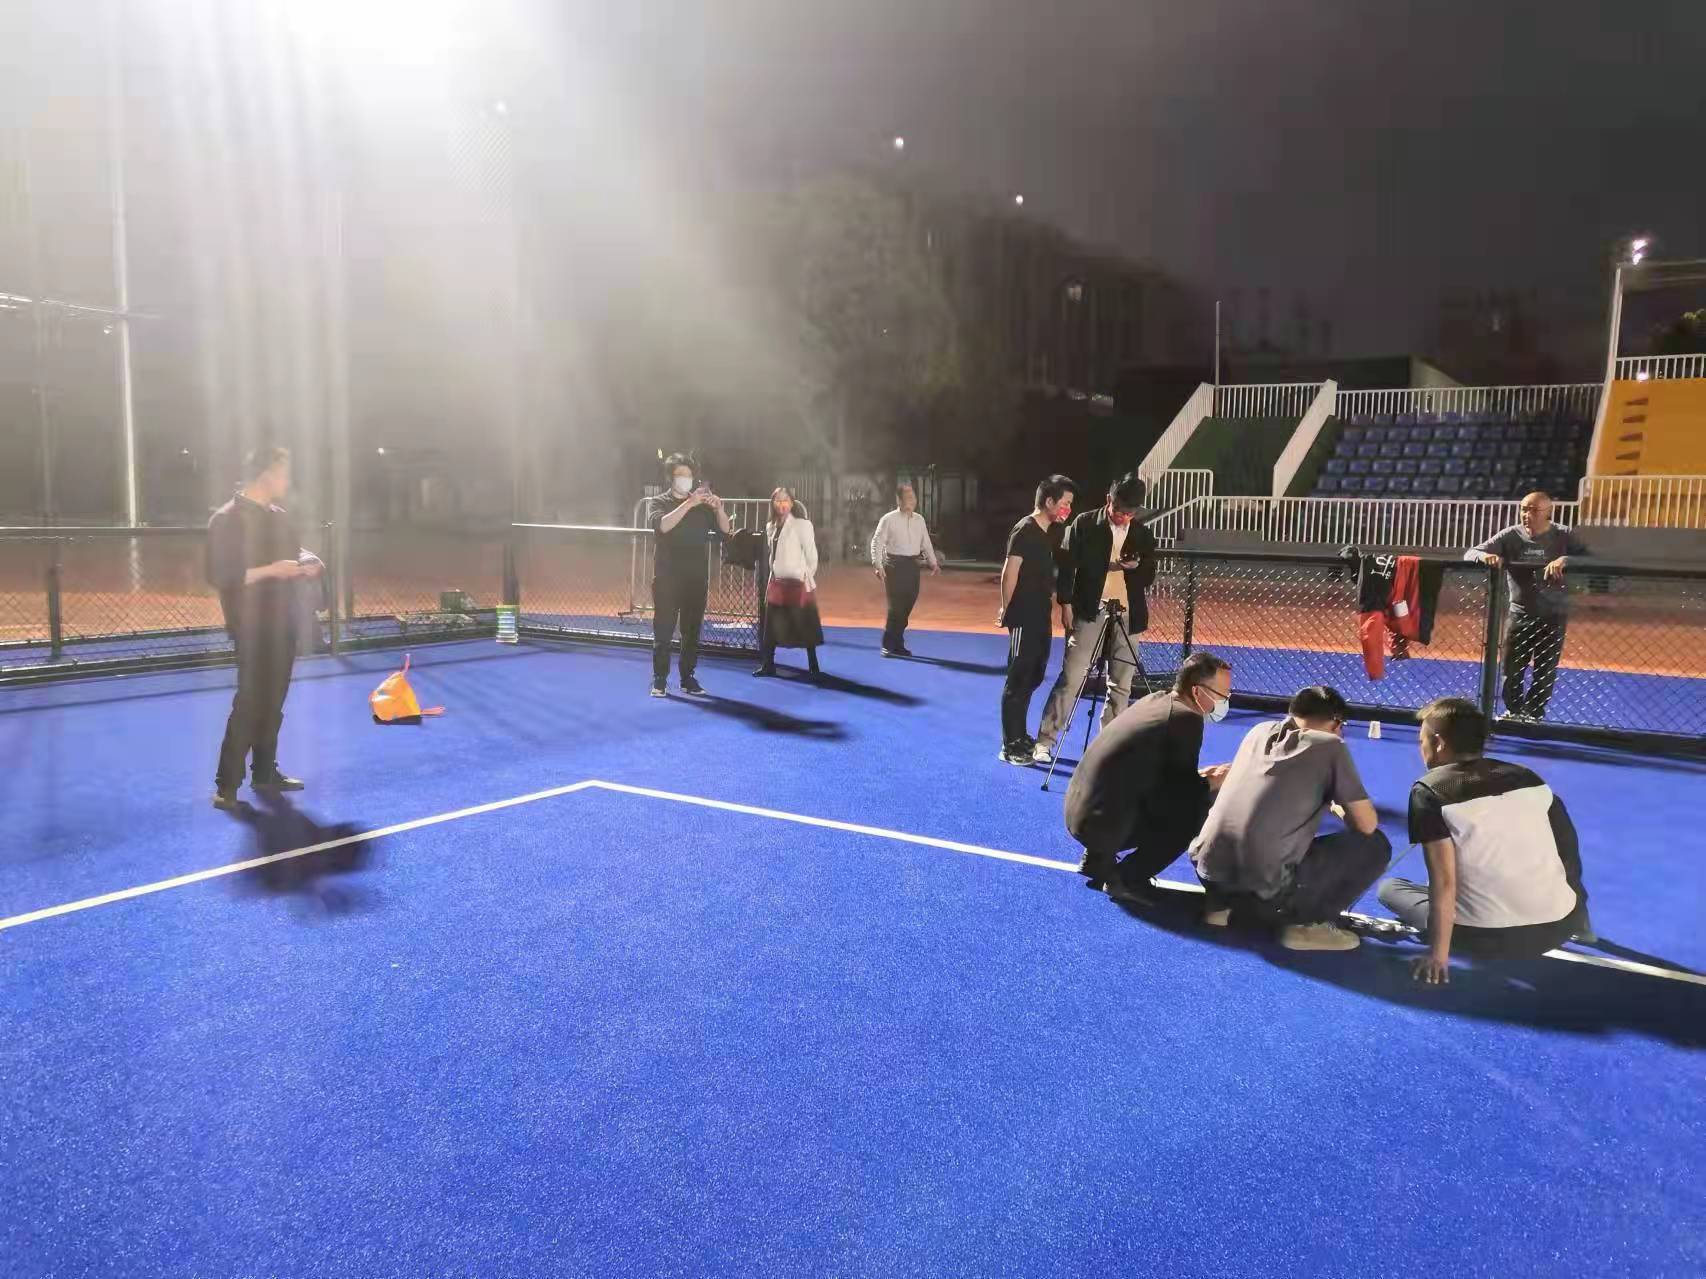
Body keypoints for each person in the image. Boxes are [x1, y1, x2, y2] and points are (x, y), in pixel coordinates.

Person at [1379, 697, 1591, 984]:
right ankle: (1583, 925)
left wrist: (1438, 956)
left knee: (1391, 888)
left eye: (1422, 741)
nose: (1421, 748)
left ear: (1438, 743)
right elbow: (1568, 854)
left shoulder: (1430, 791)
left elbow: (1444, 882)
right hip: (1559, 927)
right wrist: (1578, 918)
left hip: (1481, 938)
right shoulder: (1529, 778)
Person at [1190, 685, 1392, 952]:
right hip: (1262, 889)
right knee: (1375, 845)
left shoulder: (1259, 731)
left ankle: (1219, 908)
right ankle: (1307, 926)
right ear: (1336, 723)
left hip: (1208, 873)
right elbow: (1366, 824)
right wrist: (1336, 807)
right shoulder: (1330, 746)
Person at [206, 446, 323, 810]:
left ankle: (264, 772)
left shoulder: (279, 517)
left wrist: (308, 560)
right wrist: (273, 570)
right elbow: (222, 575)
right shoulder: (226, 519)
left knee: (274, 701)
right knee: (250, 702)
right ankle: (226, 787)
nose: (288, 480)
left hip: (284, 622)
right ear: (267, 474)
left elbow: (293, 552)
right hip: (251, 626)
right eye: (284, 472)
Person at [1064, 651, 1234, 900]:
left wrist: (1200, 778)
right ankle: (1126, 879)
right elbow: (1184, 792)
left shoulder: (1156, 700)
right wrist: (1215, 781)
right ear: (1197, 691)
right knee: (1194, 810)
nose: (1226, 700)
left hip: (1080, 814)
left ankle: (1097, 858)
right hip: (1101, 825)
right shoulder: (1186, 718)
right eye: (1222, 694)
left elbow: (1159, 773)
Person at [1033, 472, 1158, 765]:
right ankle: (1045, 741)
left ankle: (1108, 748)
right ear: (1108, 499)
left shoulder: (1142, 534)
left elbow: (1149, 575)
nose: (1122, 517)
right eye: (1118, 510)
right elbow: (1066, 566)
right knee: (1072, 677)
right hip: (1090, 610)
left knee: (1122, 684)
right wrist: (1065, 603)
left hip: (1128, 614)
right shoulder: (1085, 524)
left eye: (1129, 513)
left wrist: (1136, 567)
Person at [1465, 492, 1588, 721]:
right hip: (1520, 613)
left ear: (1548, 512)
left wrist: (1565, 560)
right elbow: (1471, 552)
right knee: (1511, 668)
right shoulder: (1511, 535)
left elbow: (1592, 559)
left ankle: (1534, 714)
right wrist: (1485, 557)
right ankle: (1513, 710)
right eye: (1523, 509)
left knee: (1545, 669)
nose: (1526, 514)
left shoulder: (1564, 535)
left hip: (1553, 614)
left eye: (1533, 510)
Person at [996, 474, 1076, 765]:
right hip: (1023, 613)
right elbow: (1009, 572)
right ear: (1049, 501)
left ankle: (1020, 735)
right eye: (1065, 503)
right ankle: (1010, 745)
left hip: (1041, 612)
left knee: (1034, 674)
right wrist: (1006, 610)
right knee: (1018, 677)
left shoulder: (1051, 532)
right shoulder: (1024, 530)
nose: (1068, 509)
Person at [642, 454, 732, 698]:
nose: (685, 479)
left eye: (689, 475)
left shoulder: (702, 507)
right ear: (671, 478)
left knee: (691, 631)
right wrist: (688, 504)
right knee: (663, 630)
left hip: (696, 578)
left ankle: (687, 677)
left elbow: (725, 530)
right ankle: (660, 679)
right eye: (680, 474)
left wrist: (719, 509)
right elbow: (662, 525)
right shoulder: (659, 502)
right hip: (667, 578)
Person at [754, 488, 825, 679]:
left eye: (785, 500)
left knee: (805, 624)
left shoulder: (803, 525)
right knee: (771, 626)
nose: (781, 504)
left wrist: (805, 576)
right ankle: (768, 665)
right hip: (777, 582)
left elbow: (812, 556)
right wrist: (771, 579)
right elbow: (772, 556)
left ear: (792, 503)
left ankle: (813, 666)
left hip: (798, 583)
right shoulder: (770, 526)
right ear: (773, 504)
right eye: (777, 500)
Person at [869, 483, 940, 657]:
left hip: (912, 566)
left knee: (908, 603)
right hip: (894, 566)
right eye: (907, 497)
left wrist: (933, 562)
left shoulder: (919, 520)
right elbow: (877, 542)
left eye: (913, 497)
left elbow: (926, 543)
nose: (912, 500)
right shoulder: (889, 519)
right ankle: (888, 645)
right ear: (899, 500)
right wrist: (877, 565)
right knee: (896, 607)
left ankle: (897, 643)